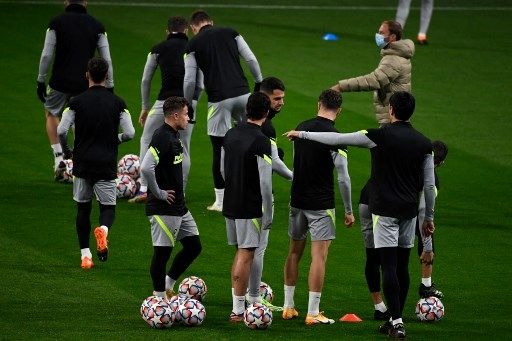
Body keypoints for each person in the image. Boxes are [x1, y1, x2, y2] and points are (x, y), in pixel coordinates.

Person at [285, 91, 436, 339]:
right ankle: (394, 317)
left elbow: (337, 138)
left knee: (387, 265)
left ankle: (395, 320)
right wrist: (428, 218)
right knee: (402, 264)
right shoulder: (424, 144)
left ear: (391, 110)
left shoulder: (378, 136)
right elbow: (429, 186)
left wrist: (302, 134)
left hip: (384, 211)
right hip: (409, 212)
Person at [282, 89, 354, 326]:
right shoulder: (337, 137)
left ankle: (288, 307)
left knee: (294, 252)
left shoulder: (301, 127)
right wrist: (349, 210)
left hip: (297, 199)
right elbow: (343, 177)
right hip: (321, 204)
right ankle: (313, 312)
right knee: (319, 257)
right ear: (339, 111)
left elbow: (297, 162)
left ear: (318, 104)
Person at [57, 57, 134, 270]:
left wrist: (67, 151)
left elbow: (62, 130)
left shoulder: (76, 102)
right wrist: (114, 140)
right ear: (107, 76)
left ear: (87, 76)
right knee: (108, 208)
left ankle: (85, 256)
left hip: (82, 163)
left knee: (82, 209)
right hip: (106, 163)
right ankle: (103, 230)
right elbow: (130, 133)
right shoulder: (118, 103)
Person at [183, 10, 263, 212]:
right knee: (253, 142)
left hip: (219, 101)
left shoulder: (192, 44)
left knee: (219, 148)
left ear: (194, 28)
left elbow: (190, 80)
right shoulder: (231, 32)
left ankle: (221, 200)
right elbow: (251, 59)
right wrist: (259, 83)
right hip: (244, 95)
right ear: (211, 22)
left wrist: (187, 104)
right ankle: (258, 192)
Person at [37, 0, 114, 180]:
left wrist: (41, 79)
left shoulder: (56, 23)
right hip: (85, 83)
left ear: (66, 2)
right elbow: (107, 59)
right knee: (81, 120)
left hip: (59, 81)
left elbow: (47, 54)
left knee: (50, 113)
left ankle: (58, 159)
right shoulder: (97, 26)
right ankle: (80, 163)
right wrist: (110, 85)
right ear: (86, 3)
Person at [129, 16, 202, 204]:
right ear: (186, 31)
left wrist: (145, 107)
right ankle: (181, 194)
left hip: (163, 103)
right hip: (186, 104)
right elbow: (200, 83)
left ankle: (144, 189)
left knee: (147, 139)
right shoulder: (195, 47)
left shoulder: (158, 49)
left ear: (167, 31)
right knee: (183, 148)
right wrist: (191, 104)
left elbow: (146, 80)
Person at [140, 96, 202, 299]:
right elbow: (145, 167)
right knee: (162, 255)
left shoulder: (174, 136)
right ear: (175, 115)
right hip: (163, 208)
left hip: (179, 207)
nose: (188, 118)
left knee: (194, 246)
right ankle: (158, 300)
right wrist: (158, 193)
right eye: (185, 114)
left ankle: (167, 285)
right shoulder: (162, 137)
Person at [222, 92, 273, 322]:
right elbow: (265, 181)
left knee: (240, 251)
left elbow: (223, 170)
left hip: (230, 202)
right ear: (267, 112)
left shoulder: (231, 133)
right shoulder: (261, 140)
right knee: (246, 253)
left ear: (246, 110)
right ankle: (238, 310)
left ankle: (239, 303)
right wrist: (268, 212)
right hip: (249, 205)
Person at [245, 77, 292, 310]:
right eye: (277, 98)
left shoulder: (247, 122)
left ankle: (240, 297)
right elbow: (272, 164)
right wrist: (298, 177)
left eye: (282, 97)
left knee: (244, 250)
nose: (281, 102)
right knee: (257, 249)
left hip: (239, 193)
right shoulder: (266, 127)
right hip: (257, 196)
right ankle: (253, 299)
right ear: (265, 99)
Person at [331, 20, 414, 126]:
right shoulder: (398, 54)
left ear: (392, 37)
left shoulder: (393, 59)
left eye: (381, 33)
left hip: (392, 119)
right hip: (395, 116)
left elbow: (374, 80)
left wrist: (340, 87)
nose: (378, 36)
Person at [417, 140, 447, 298]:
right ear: (441, 162)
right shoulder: (433, 178)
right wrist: (427, 247)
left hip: (395, 210)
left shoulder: (412, 162)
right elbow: (423, 208)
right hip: (415, 215)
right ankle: (426, 285)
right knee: (427, 244)